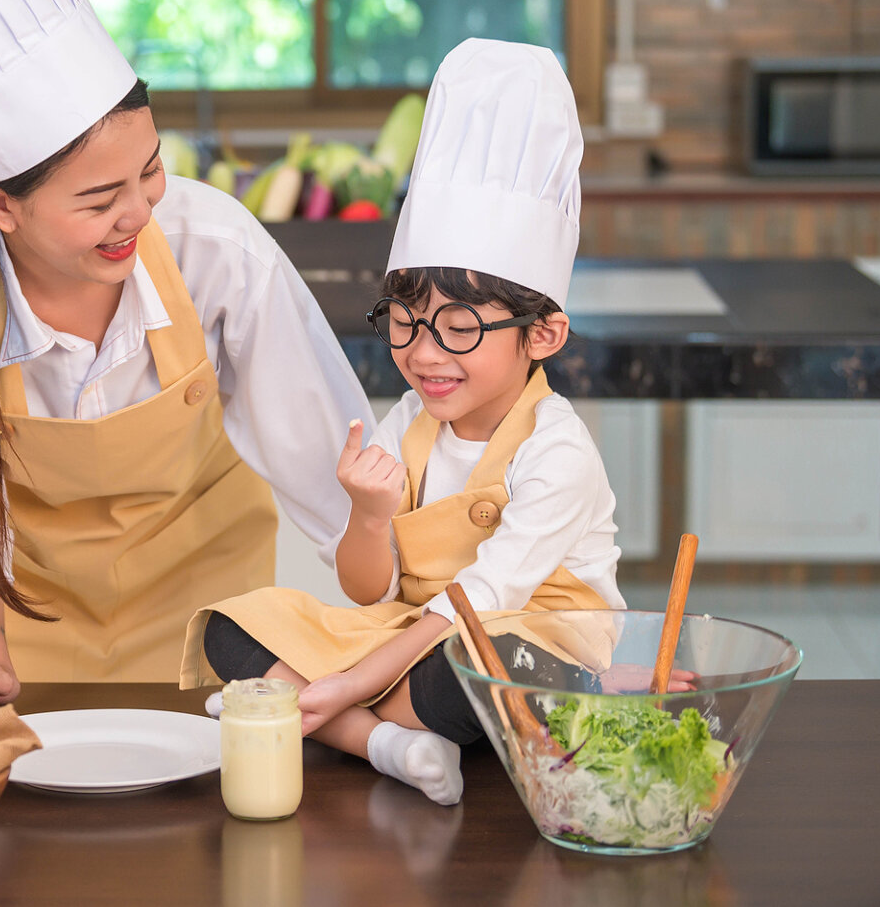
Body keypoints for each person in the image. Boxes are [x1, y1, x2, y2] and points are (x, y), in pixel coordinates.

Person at [0, 0, 373, 705]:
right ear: (1, 210)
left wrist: (394, 646)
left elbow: (340, 481)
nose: (140, 212)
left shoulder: (215, 250)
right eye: (98, 200)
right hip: (12, 639)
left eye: (150, 171)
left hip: (207, 635)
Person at [180, 39, 627, 806]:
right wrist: (368, 513)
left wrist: (345, 679)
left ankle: (317, 712)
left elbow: (483, 601)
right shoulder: (410, 422)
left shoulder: (558, 452)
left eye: (459, 327)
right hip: (409, 635)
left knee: (487, 673)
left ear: (542, 334)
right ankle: (384, 742)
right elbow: (368, 592)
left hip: (525, 643)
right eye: (406, 323)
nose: (425, 355)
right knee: (235, 627)